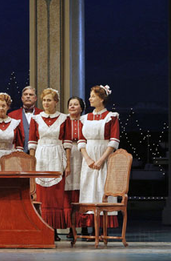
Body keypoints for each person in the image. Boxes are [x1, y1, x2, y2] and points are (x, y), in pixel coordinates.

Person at [29, 88, 71, 241]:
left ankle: (53, 229)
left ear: (56, 102)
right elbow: (32, 143)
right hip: (41, 156)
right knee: (42, 195)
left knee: (55, 195)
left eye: (49, 100)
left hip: (56, 156)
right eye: (44, 100)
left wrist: (68, 164)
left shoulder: (64, 119)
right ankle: (42, 227)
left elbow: (67, 142)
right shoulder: (36, 119)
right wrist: (32, 164)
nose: (46, 103)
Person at [78, 85, 120, 233]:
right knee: (88, 188)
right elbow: (81, 141)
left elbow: (113, 141)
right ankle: (87, 226)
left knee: (102, 188)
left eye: (93, 96)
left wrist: (102, 159)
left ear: (101, 99)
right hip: (88, 159)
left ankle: (103, 229)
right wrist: (87, 158)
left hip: (104, 157)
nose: (90, 99)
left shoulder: (111, 117)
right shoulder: (85, 118)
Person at [63, 96, 86, 237]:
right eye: (70, 104)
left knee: (81, 190)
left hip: (82, 154)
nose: (72, 107)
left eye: (75, 104)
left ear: (81, 108)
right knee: (68, 191)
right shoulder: (63, 121)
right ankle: (71, 227)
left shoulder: (86, 121)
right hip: (67, 153)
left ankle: (83, 226)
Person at [0, 92, 24, 171]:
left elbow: (19, 145)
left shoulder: (15, 123)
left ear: (8, 107)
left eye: (3, 106)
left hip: (11, 157)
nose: (1, 108)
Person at [9, 86, 43, 153]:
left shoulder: (42, 114)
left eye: (31, 95)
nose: (28, 96)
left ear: (35, 98)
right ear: (22, 98)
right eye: (25, 94)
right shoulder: (12, 115)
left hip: (38, 153)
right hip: (19, 153)